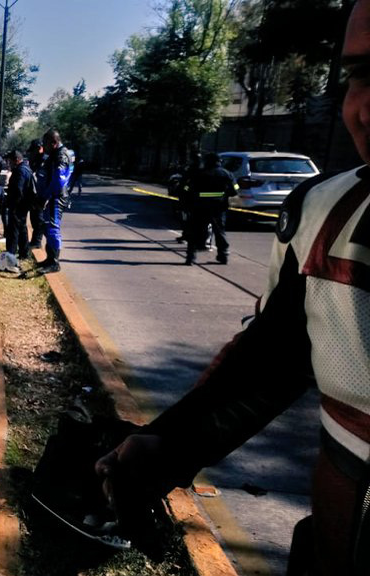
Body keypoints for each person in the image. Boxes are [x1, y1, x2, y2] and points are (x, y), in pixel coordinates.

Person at [95, 3, 370, 574]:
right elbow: (268, 367)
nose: (367, 109)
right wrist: (166, 447)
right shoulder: (325, 216)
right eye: (359, 76)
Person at [181, 153, 236, 266]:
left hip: (199, 207)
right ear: (219, 162)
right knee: (219, 232)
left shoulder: (198, 174)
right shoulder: (227, 174)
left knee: (195, 231)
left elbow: (187, 188)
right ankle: (223, 255)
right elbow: (235, 190)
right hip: (219, 208)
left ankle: (190, 257)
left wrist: (187, 197)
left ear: (206, 162)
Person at [35, 129, 72, 273]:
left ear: (54, 143)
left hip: (56, 197)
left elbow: (58, 179)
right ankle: (50, 259)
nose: (44, 148)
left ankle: (54, 263)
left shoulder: (61, 155)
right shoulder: (56, 154)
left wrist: (46, 196)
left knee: (52, 228)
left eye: (46, 144)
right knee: (48, 227)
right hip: (52, 195)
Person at [4, 150, 35, 259]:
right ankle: (24, 253)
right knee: (22, 229)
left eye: (10, 162)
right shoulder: (26, 168)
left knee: (13, 231)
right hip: (23, 205)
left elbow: (18, 190)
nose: (9, 164)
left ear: (16, 160)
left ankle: (10, 255)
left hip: (18, 205)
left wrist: (13, 205)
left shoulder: (20, 171)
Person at [26, 139, 46, 248]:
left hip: (41, 194)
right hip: (35, 194)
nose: (31, 154)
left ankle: (37, 242)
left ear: (39, 149)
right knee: (34, 219)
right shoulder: (36, 161)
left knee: (39, 220)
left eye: (32, 151)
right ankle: (35, 241)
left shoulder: (44, 161)